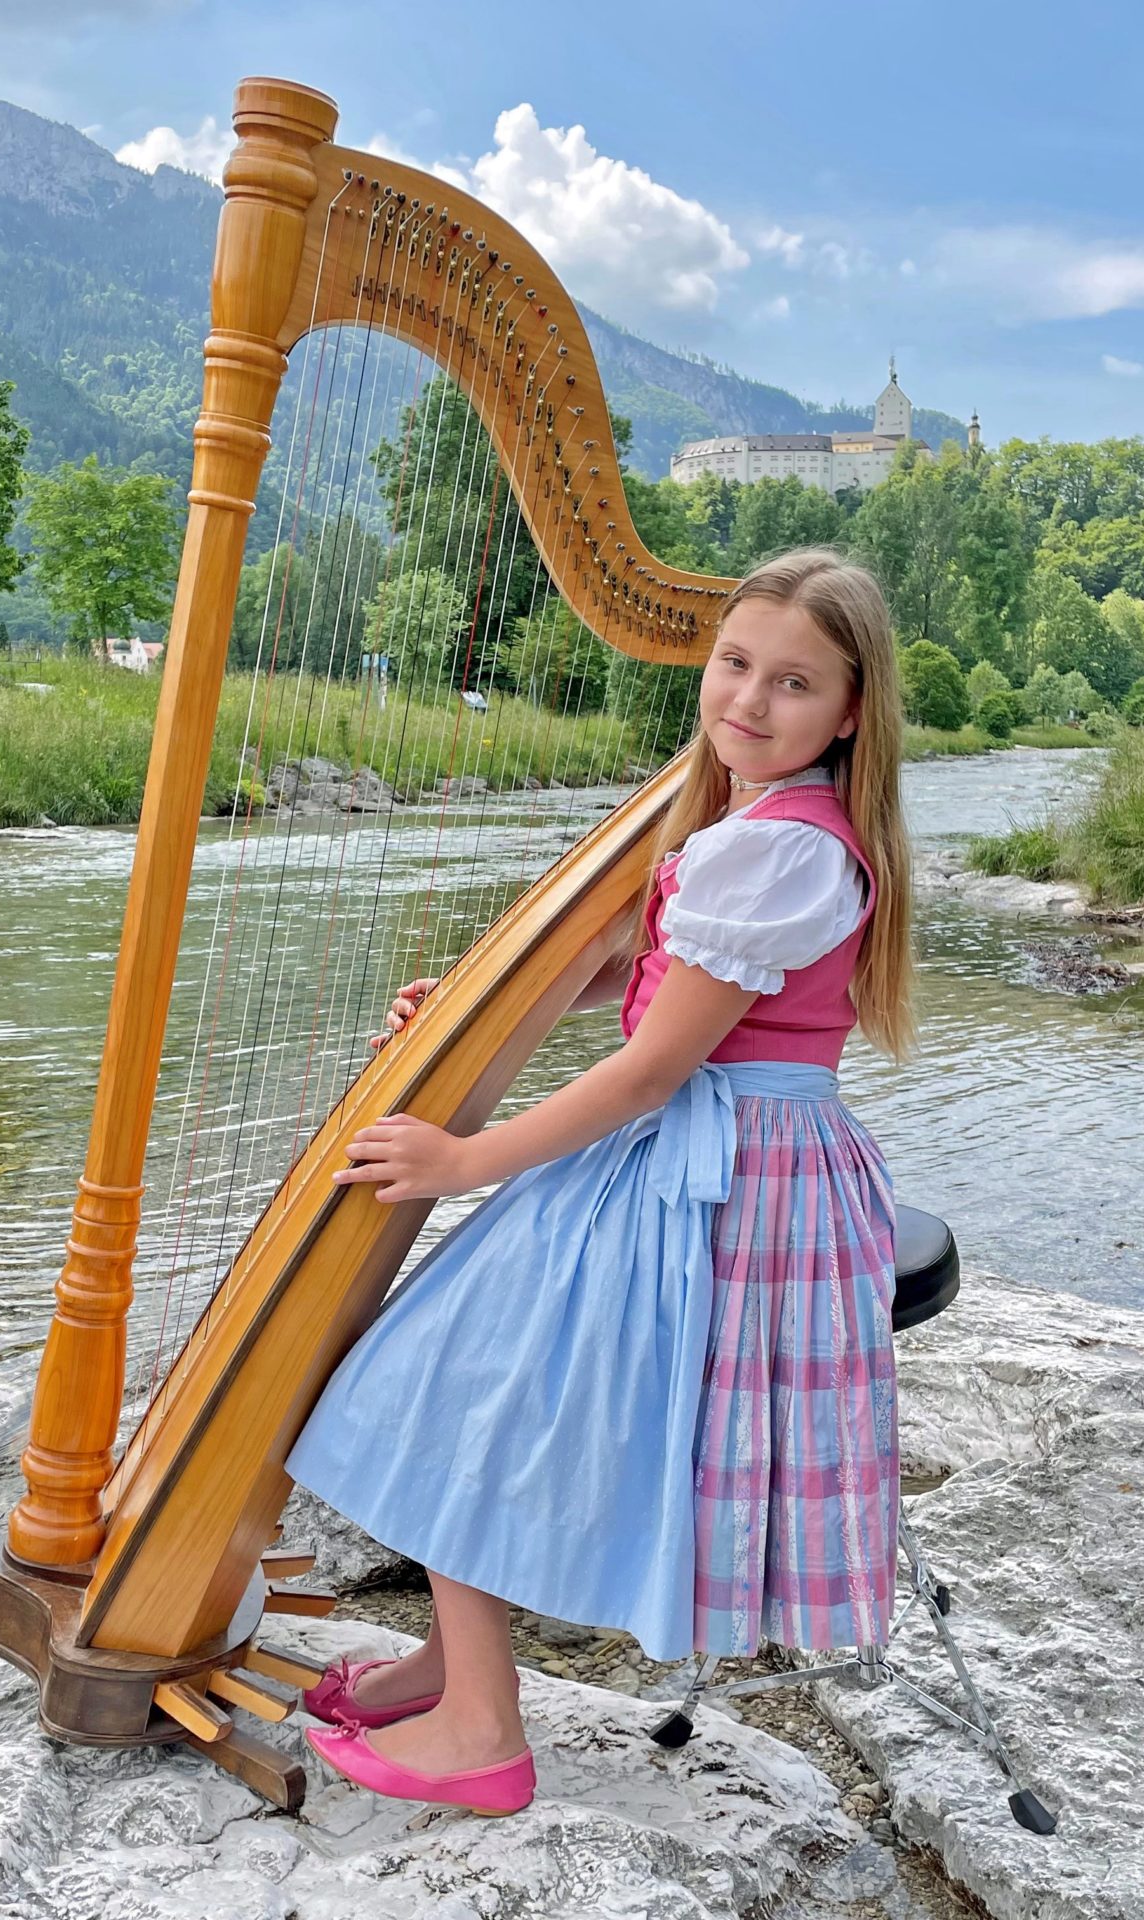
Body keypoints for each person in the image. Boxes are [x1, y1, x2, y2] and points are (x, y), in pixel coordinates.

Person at [284, 548, 916, 1818]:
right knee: (490, 1386)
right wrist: (461, 1013)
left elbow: (646, 1070)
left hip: (721, 1172)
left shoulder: (778, 855)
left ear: (850, 712)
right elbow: (633, 976)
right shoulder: (747, 829)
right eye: (734, 664)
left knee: (473, 1390)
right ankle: (447, 1661)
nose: (748, 699)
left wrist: (463, 1159)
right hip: (717, 1142)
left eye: (792, 683)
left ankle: (480, 1734)